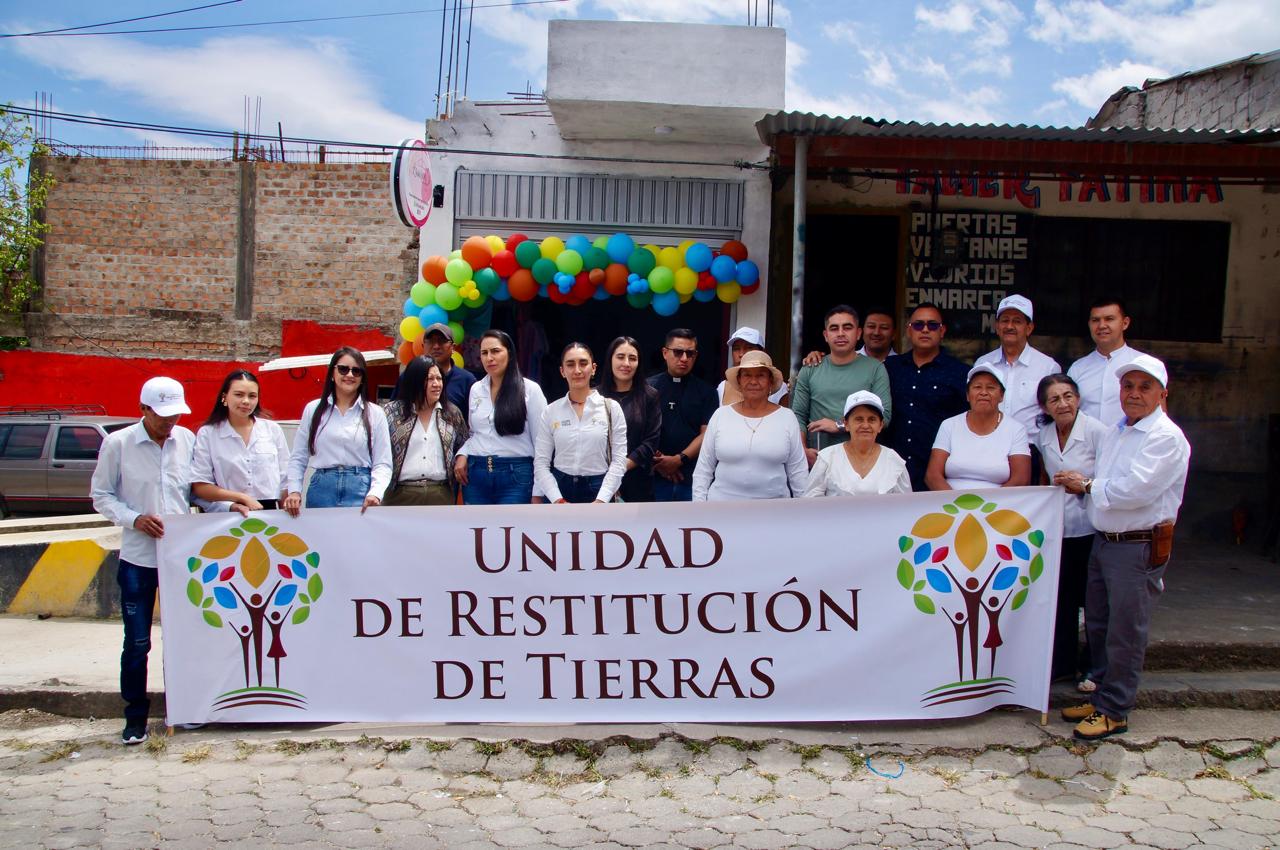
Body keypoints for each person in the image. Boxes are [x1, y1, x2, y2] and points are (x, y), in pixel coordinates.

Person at [1055, 355, 1191, 740]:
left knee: (1125, 629)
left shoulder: (1165, 438)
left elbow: (1135, 490)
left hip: (1137, 545)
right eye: (1128, 386)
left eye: (1144, 387)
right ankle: (1100, 694)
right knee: (1098, 623)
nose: (1133, 394)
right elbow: (1109, 479)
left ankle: (1115, 710)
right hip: (1106, 541)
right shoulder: (1119, 430)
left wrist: (1087, 486)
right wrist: (1089, 483)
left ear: (1163, 394)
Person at [90, 377, 198, 745]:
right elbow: (101, 495)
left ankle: (185, 707)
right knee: (137, 642)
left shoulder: (187, 440)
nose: (171, 423)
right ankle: (135, 715)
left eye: (176, 415)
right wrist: (134, 518)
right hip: (138, 559)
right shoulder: (117, 444)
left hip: (180, 559)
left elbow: (195, 490)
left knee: (185, 638)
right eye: (163, 416)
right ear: (144, 410)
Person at [1034, 373, 1109, 688]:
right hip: (1059, 530)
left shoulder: (1097, 432)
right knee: (1060, 599)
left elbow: (1108, 479)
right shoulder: (1045, 435)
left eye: (1068, 396)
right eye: (1054, 399)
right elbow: (1042, 476)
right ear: (1045, 406)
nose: (1062, 403)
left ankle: (1094, 667)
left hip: (1090, 527)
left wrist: (1083, 485)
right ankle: (1061, 664)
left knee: (1092, 601)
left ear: (1077, 399)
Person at [284, 347, 392, 514]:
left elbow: (382, 462)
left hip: (361, 489)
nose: (349, 375)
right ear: (332, 373)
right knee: (321, 539)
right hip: (322, 488)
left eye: (356, 371)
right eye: (343, 369)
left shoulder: (375, 413)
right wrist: (294, 490)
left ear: (362, 378)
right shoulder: (313, 410)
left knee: (358, 540)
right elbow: (298, 456)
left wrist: (375, 493)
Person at [693, 351, 807, 501]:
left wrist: (804, 512)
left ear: (770, 382)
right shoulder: (721, 415)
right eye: (747, 375)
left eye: (760, 375)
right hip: (721, 511)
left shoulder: (787, 417)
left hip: (774, 512)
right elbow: (703, 469)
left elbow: (798, 472)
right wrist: (700, 507)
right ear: (739, 381)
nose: (753, 382)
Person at [881, 304, 970, 491]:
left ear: (942, 330)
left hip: (936, 475)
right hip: (889, 473)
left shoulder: (960, 373)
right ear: (909, 330)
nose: (926, 330)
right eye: (919, 325)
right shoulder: (890, 367)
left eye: (933, 325)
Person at [973, 295, 1061, 483]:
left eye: (1017, 321)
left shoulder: (1047, 367)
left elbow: (1053, 417)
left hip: (1030, 453)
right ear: (997, 327)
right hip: (986, 450)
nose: (1010, 326)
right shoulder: (983, 363)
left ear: (1029, 328)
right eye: (1005, 320)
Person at [455, 329, 548, 504]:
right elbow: (474, 433)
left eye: (495, 351)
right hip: (477, 475)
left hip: (516, 476)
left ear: (510, 353)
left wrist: (538, 490)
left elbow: (542, 444)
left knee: (512, 530)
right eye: (484, 353)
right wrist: (463, 454)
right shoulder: (476, 389)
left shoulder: (530, 390)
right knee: (477, 530)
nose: (489, 358)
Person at [791, 305, 892, 465]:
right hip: (818, 458)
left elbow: (885, 416)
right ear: (826, 335)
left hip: (863, 459)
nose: (840, 333)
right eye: (834, 328)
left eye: (847, 327)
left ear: (858, 333)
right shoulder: (810, 369)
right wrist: (802, 451)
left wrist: (839, 425)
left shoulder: (875, 368)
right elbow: (797, 416)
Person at [535, 342, 629, 504]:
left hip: (599, 487)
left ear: (593, 369)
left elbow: (619, 461)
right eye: (570, 365)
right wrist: (557, 499)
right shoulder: (551, 411)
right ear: (562, 371)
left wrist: (601, 500)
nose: (577, 370)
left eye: (583, 363)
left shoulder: (611, 408)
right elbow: (541, 462)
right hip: (559, 488)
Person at [191, 370, 291, 514]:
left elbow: (286, 477)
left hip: (270, 512)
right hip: (229, 512)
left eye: (252, 396)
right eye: (239, 395)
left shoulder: (272, 429)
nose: (246, 401)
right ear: (224, 397)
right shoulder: (208, 433)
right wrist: (241, 498)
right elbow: (200, 485)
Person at [926, 364, 1031, 491]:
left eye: (991, 388)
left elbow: (1021, 478)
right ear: (967, 395)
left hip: (999, 507)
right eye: (977, 387)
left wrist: (986, 506)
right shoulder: (949, 425)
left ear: (1001, 396)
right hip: (950, 506)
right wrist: (956, 503)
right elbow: (932, 476)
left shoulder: (1016, 429)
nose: (983, 393)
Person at [382, 356, 468, 506]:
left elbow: (464, 443)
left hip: (440, 494)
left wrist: (462, 455)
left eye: (439, 379)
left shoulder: (452, 413)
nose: (436, 384)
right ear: (414, 380)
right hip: (399, 494)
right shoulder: (391, 412)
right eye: (430, 379)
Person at [647, 328, 718, 502]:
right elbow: (639, 432)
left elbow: (707, 434)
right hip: (654, 477)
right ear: (665, 353)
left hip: (691, 479)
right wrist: (660, 463)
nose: (684, 359)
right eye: (678, 352)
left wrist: (679, 460)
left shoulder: (707, 392)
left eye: (690, 353)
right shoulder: (647, 388)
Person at [803, 390, 910, 497]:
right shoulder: (827, 458)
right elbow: (810, 505)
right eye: (859, 419)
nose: (865, 425)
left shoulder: (894, 462)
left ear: (880, 425)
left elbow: (906, 508)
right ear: (846, 424)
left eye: (872, 419)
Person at [598, 335, 662, 503]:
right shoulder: (595, 396)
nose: (626, 363)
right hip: (598, 482)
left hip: (638, 483)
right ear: (610, 359)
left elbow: (651, 441)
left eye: (632, 358)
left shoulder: (650, 396)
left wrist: (619, 468)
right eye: (620, 357)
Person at [1067, 298, 1143, 426]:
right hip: (1086, 444)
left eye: (1109, 319)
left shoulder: (1142, 363)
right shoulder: (1078, 368)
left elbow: (1158, 416)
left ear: (1125, 323)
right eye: (1095, 320)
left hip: (1130, 443)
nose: (1101, 325)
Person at [717, 326, 788, 406]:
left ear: (761, 351)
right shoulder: (722, 388)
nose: (741, 354)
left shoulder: (779, 388)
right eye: (736, 349)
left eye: (749, 348)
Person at [423, 321, 477, 421]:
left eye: (442, 341)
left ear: (453, 348)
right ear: (423, 347)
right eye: (430, 341)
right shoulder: (410, 378)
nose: (436, 346)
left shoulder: (467, 380)